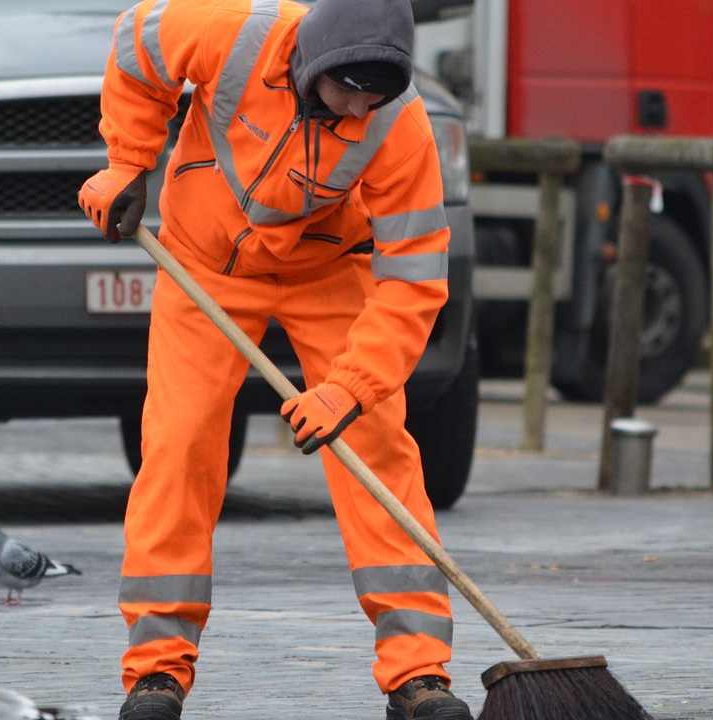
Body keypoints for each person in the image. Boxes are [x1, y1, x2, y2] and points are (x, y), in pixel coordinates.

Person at [78, 1, 469, 718]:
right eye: (346, 88)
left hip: (329, 272)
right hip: (204, 265)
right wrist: (127, 163)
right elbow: (136, 45)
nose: (359, 107)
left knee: (377, 444)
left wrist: (348, 389)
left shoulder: (398, 125)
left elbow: (415, 279)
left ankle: (418, 674)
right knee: (180, 443)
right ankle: (156, 671)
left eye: (374, 94)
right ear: (310, 60)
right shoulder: (232, 32)